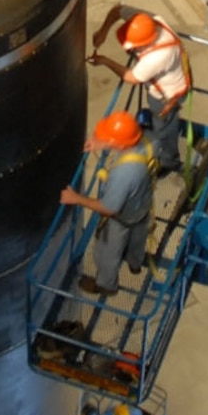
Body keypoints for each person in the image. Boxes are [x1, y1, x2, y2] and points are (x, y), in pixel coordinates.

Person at [58, 110, 156, 297]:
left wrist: (76, 198)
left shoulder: (124, 174)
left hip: (123, 217)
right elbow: (120, 142)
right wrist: (100, 142)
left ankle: (107, 285)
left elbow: (109, 208)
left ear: (119, 144)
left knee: (106, 255)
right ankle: (135, 264)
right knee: (138, 241)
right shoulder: (148, 142)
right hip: (143, 207)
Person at [88, 7, 190, 174]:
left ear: (144, 43)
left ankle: (169, 161)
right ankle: (160, 141)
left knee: (163, 127)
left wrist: (105, 61)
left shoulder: (157, 57)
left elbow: (132, 77)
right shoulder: (149, 21)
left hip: (167, 97)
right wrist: (103, 31)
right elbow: (117, 10)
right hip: (169, 81)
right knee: (161, 124)